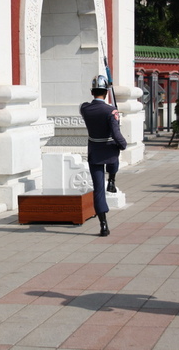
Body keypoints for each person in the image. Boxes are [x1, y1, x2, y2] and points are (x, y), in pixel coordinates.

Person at [80, 75, 127, 237]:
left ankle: (103, 225)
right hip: (109, 149)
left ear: (92, 92)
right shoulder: (110, 111)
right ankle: (112, 180)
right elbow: (116, 134)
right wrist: (123, 144)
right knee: (116, 156)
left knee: (98, 190)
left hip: (94, 151)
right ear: (106, 92)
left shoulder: (84, 108)